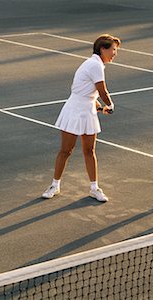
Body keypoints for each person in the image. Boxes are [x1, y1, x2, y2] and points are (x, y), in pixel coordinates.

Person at [42, 34, 121, 202]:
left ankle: (94, 188)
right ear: (103, 49)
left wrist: (99, 106)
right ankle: (54, 185)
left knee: (89, 150)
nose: (115, 53)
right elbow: (102, 91)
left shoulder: (95, 64)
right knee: (66, 150)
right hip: (74, 110)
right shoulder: (95, 65)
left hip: (87, 109)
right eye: (113, 50)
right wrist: (110, 106)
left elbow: (89, 93)